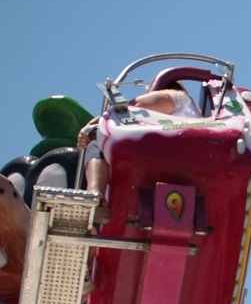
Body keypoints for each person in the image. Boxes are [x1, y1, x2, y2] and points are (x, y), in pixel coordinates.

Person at [77, 81, 203, 213]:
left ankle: (95, 196)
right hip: (181, 168)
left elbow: (131, 108)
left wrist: (89, 127)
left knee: (98, 144)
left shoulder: (178, 97)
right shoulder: (194, 117)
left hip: (163, 159)